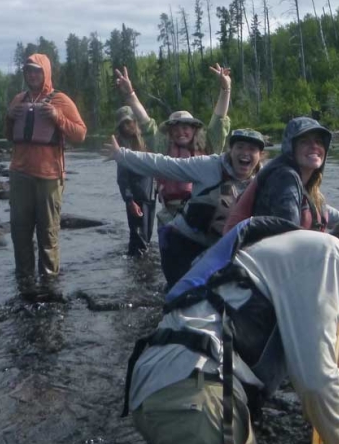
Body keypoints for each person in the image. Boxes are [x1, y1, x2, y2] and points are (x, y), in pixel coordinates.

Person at [123, 207, 339, 444]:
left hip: (162, 387)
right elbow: (314, 381)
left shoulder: (309, 262)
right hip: (195, 391)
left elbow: (317, 370)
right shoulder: (328, 252)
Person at [103, 128, 266, 288]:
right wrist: (121, 155)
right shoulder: (209, 166)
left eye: (252, 149)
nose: (245, 153)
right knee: (184, 297)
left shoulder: (265, 181)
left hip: (218, 249)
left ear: (260, 156)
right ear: (231, 150)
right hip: (182, 244)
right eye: (240, 147)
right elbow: (164, 165)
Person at [114, 64, 231, 227]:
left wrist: (226, 89)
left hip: (203, 214)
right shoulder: (163, 148)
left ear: (194, 130)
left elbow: (219, 118)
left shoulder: (209, 145)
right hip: (170, 214)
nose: (180, 132)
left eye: (185, 128)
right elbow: (146, 122)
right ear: (169, 132)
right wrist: (131, 94)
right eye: (175, 129)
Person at [4, 53, 87, 279]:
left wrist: (58, 117)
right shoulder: (18, 100)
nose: (32, 74)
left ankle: (49, 284)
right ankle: (24, 281)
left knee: (47, 235)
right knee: (19, 233)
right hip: (20, 175)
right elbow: (10, 136)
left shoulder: (60, 100)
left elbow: (80, 134)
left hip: (49, 177)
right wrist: (9, 117)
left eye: (37, 70)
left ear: (45, 73)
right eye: (28, 70)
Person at [223, 116, 339, 234]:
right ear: (291, 149)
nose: (314, 146)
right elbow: (289, 235)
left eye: (319, 141)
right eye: (304, 142)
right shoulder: (284, 178)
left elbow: (327, 213)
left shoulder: (309, 187)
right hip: (245, 252)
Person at [114, 106, 157, 257]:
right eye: (122, 125)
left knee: (147, 238)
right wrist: (129, 200)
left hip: (150, 196)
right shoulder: (123, 148)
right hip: (136, 199)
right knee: (138, 241)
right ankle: (139, 273)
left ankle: (142, 270)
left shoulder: (147, 141)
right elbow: (122, 178)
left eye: (128, 122)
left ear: (135, 121)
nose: (126, 127)